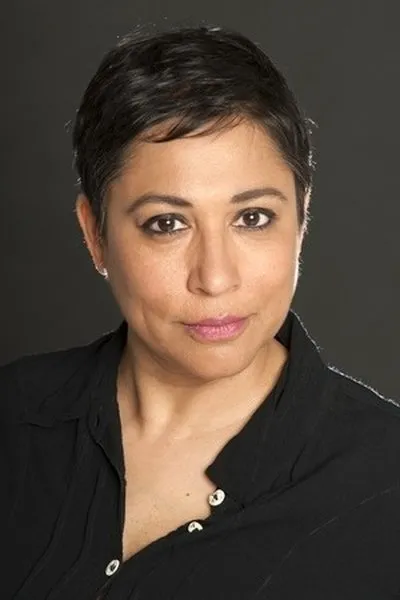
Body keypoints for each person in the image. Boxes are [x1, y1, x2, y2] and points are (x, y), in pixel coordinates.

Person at [2, 23, 400, 600]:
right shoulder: (14, 419)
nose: (215, 278)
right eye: (167, 224)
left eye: (253, 218)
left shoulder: (386, 484)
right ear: (95, 235)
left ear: (301, 219)